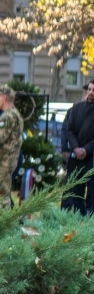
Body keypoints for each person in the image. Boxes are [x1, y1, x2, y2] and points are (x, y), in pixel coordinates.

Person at [0, 86, 23, 209]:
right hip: (7, 160)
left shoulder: (8, 116)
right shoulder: (15, 114)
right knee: (1, 194)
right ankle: (2, 220)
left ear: (4, 98)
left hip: (2, 162)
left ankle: (2, 221)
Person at [63, 80, 94, 214]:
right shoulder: (76, 108)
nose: (91, 93)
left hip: (91, 156)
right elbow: (69, 130)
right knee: (74, 191)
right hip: (76, 156)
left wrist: (86, 150)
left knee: (92, 193)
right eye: (89, 89)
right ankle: (76, 218)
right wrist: (75, 148)